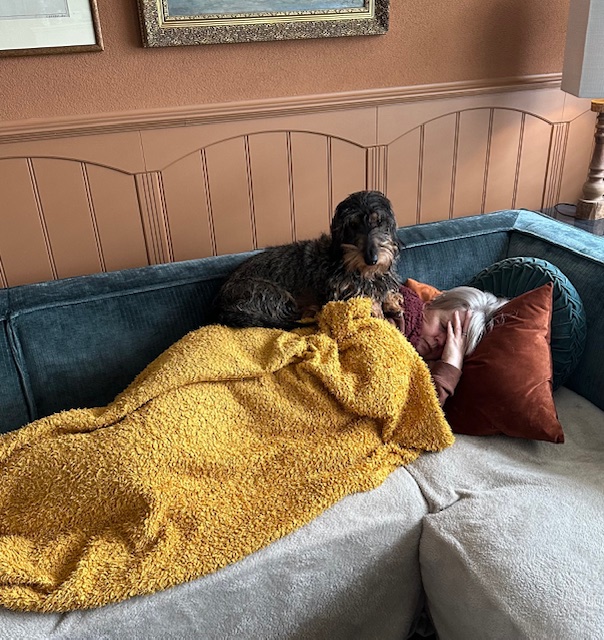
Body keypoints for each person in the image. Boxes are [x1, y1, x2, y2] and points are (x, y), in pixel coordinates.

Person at [388, 284, 508, 405]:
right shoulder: (393, 315)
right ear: (430, 305)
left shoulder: (428, 370)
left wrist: (450, 364)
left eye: (451, 343)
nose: (440, 341)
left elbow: (417, 411)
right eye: (444, 326)